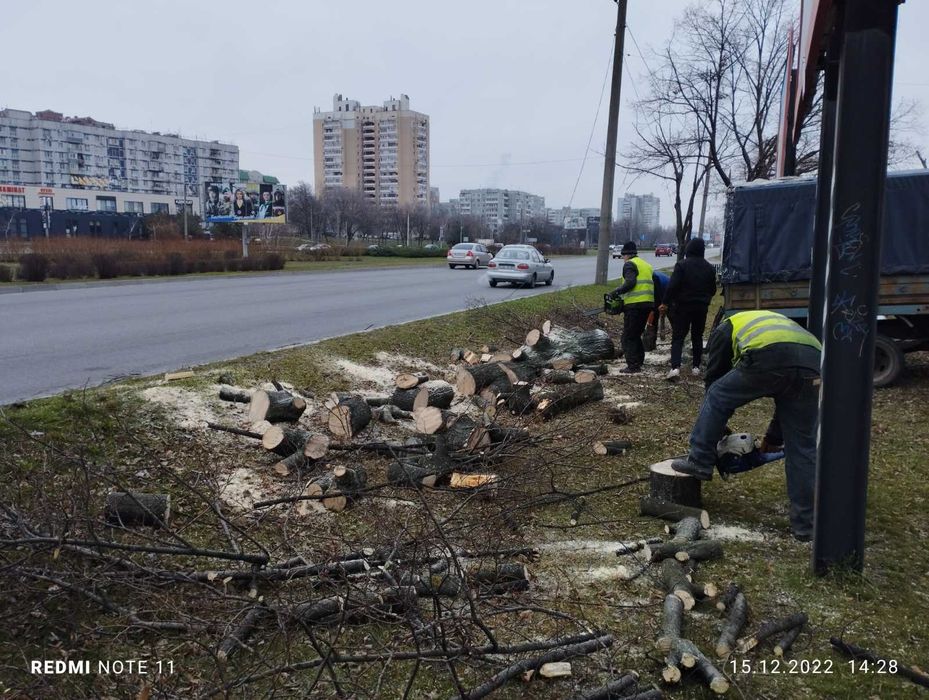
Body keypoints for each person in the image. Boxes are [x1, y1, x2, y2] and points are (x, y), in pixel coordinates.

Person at [670, 310, 822, 541]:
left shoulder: (725, 328)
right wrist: (774, 437)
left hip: (769, 354)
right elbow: (786, 400)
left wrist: (717, 428)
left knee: (717, 396)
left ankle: (700, 460)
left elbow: (715, 380)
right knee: (802, 448)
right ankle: (806, 527)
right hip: (814, 361)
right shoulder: (771, 322)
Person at [662, 237, 717, 380]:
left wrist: (665, 302)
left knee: (678, 337)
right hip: (701, 307)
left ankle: (675, 368)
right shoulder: (710, 268)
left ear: (689, 249)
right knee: (697, 336)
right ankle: (696, 367)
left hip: (683, 307)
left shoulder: (681, 265)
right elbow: (713, 289)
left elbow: (672, 287)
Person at [608, 241, 654, 373]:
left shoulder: (630, 264)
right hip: (647, 304)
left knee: (627, 337)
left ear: (626, 255)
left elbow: (630, 282)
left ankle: (633, 365)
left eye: (623, 256)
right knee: (636, 334)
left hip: (635, 305)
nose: (623, 259)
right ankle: (639, 361)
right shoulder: (646, 265)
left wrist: (616, 291)